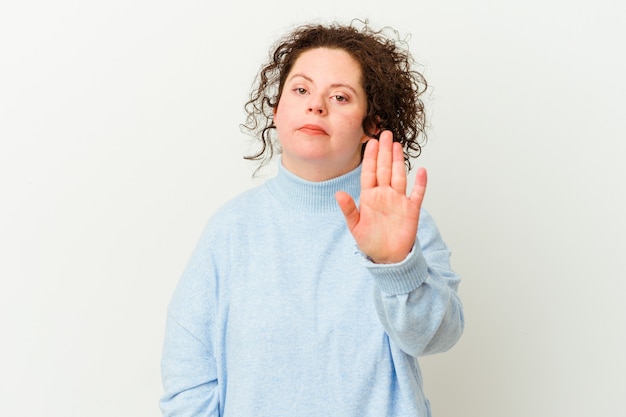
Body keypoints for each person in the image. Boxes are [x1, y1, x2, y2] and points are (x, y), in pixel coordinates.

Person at [160, 19, 464, 417]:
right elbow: (187, 377)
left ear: (370, 125)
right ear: (275, 110)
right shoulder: (230, 229)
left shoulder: (403, 223)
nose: (315, 105)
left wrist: (395, 266)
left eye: (340, 97)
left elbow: (437, 337)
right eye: (301, 89)